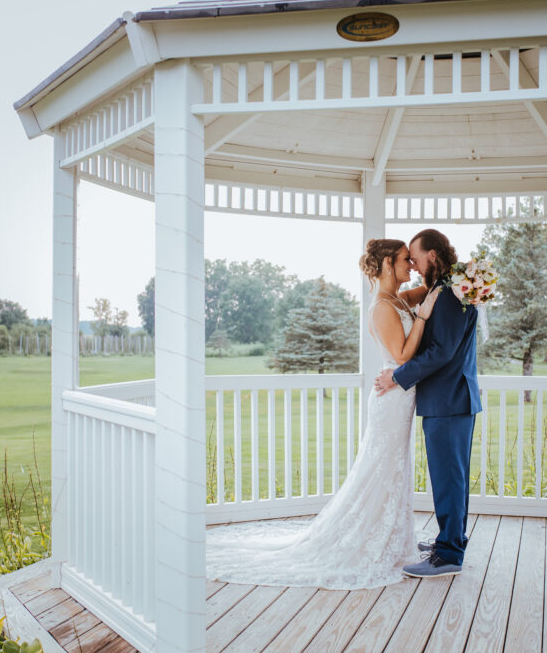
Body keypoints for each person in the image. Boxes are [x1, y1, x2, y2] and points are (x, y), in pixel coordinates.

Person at [204, 238, 441, 589]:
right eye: (406, 259)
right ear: (388, 264)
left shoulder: (398, 299)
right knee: (381, 467)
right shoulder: (381, 307)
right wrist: (422, 317)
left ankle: (389, 535)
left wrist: (456, 279)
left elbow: (431, 290)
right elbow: (403, 355)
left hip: (402, 397)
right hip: (391, 399)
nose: (411, 265)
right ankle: (366, 538)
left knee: (396, 468)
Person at [374, 228, 481, 579]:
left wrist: (397, 376)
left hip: (449, 399)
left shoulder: (449, 293)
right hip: (450, 399)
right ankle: (449, 541)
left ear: (432, 255)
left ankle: (448, 554)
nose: (414, 266)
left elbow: (441, 352)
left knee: (449, 479)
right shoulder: (446, 287)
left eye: (416, 258)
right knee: (450, 478)